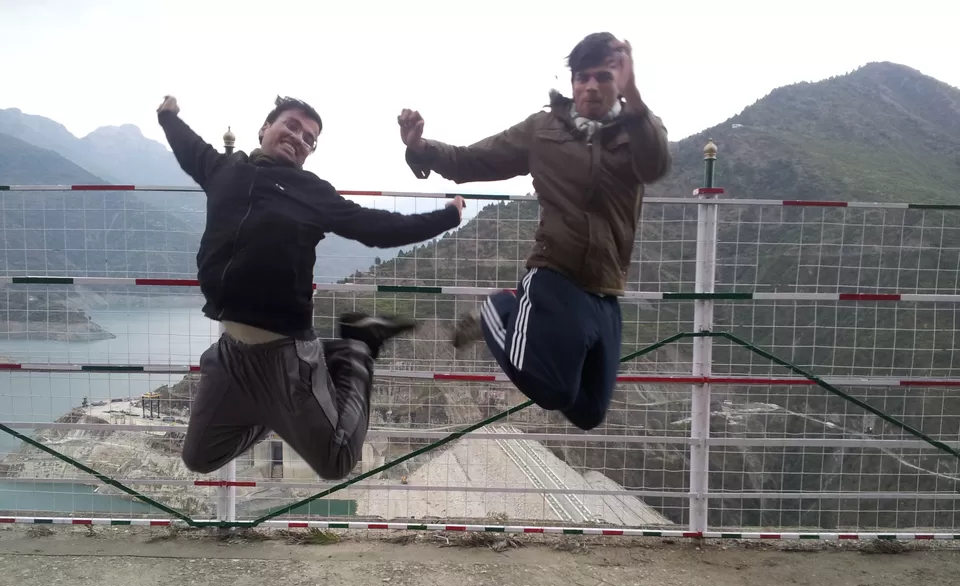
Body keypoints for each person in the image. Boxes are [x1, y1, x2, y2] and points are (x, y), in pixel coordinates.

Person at [156, 94, 465, 480]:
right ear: (265, 128)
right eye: (291, 125)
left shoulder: (311, 191)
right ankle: (275, 412)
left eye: (309, 138)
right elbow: (189, 147)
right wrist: (167, 116)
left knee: (336, 462)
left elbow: (377, 227)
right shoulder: (224, 169)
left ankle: (357, 347)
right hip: (231, 354)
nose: (299, 137)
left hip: (285, 353)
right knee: (200, 457)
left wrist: (447, 216)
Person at [397, 33, 671, 431]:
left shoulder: (638, 130)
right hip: (556, 273)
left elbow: (656, 167)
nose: (591, 86)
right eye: (582, 77)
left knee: (589, 413)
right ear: (572, 82)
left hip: (607, 287)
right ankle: (499, 308)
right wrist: (420, 147)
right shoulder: (543, 130)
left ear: (619, 81)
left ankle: (517, 317)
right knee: (551, 390)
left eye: (603, 76)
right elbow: (475, 160)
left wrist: (637, 100)